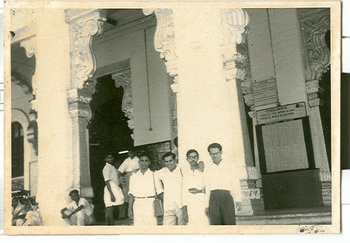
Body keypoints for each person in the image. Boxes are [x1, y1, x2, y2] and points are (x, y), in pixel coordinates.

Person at [205, 143, 242, 225]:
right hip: (213, 198)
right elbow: (207, 187)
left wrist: (238, 200)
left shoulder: (230, 165)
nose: (214, 156)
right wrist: (206, 205)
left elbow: (235, 183)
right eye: (212, 154)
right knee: (215, 225)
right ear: (209, 154)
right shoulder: (208, 168)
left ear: (221, 152)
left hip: (226, 197)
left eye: (216, 153)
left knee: (229, 223)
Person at [128, 153, 161, 226]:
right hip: (137, 204)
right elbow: (131, 194)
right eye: (142, 161)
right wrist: (129, 208)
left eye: (146, 161)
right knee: (138, 227)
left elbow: (160, 192)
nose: (144, 163)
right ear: (139, 162)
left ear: (149, 162)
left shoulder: (154, 175)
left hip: (150, 204)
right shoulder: (134, 176)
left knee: (151, 226)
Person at [155, 152, 185, 225]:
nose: (169, 164)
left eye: (171, 161)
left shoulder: (182, 169)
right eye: (166, 162)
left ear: (175, 160)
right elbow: (159, 189)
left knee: (183, 226)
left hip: (181, 203)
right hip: (168, 204)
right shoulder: (160, 172)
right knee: (168, 228)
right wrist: (165, 198)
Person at [182, 149, 209, 225]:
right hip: (191, 206)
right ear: (187, 159)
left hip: (202, 204)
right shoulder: (185, 173)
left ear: (198, 158)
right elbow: (184, 193)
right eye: (190, 157)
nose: (193, 159)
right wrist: (185, 211)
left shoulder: (204, 171)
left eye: (195, 157)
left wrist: (207, 206)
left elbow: (209, 188)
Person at [102, 153, 124, 225]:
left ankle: (112, 224)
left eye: (111, 157)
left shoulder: (113, 167)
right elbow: (107, 181)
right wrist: (111, 194)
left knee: (113, 206)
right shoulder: (106, 168)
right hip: (110, 188)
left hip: (115, 187)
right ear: (105, 159)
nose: (111, 159)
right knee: (109, 207)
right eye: (108, 158)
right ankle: (110, 225)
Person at [118, 149, 139, 218]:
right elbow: (120, 171)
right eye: (129, 153)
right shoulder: (126, 161)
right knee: (130, 194)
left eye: (131, 153)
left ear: (135, 152)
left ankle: (137, 212)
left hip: (137, 176)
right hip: (128, 177)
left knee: (138, 194)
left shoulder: (138, 159)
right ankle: (130, 213)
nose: (130, 154)